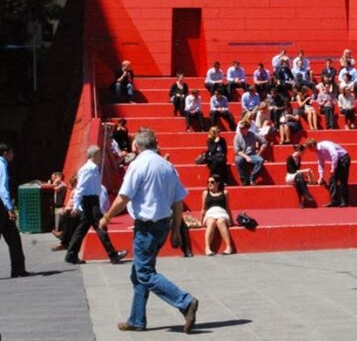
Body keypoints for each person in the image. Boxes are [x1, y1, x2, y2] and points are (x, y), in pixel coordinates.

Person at [99, 128, 199, 333]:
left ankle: (185, 301)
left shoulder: (138, 165)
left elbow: (124, 196)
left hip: (146, 227)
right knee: (138, 273)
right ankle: (136, 319)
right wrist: (176, 231)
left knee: (144, 273)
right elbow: (178, 202)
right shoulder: (168, 166)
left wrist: (107, 216)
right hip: (163, 225)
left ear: (137, 145)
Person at [65, 146, 127, 265]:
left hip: (92, 201)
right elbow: (80, 188)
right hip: (90, 201)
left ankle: (71, 254)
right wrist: (76, 206)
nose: (101, 158)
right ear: (94, 155)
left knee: (82, 229)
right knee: (101, 226)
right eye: (99, 155)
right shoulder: (88, 169)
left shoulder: (93, 169)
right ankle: (112, 254)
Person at [0, 143, 27, 278]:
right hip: (2, 207)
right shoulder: (2, 165)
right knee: (14, 239)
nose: (13, 155)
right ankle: (18, 269)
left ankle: (18, 269)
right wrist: (10, 208)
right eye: (11, 152)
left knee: (13, 238)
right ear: (5, 153)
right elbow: (3, 188)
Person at [306, 139, 350, 207]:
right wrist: (321, 176)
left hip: (343, 158)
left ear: (312, 145)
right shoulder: (318, 152)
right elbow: (320, 163)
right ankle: (334, 201)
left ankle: (344, 201)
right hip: (337, 161)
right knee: (332, 180)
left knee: (342, 179)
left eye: (309, 148)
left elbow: (334, 154)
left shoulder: (325, 144)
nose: (310, 150)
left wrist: (333, 168)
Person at [201, 174, 234, 256]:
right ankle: (207, 248)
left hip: (222, 213)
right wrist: (201, 221)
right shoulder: (205, 193)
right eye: (208, 182)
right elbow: (203, 208)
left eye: (212, 182)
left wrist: (231, 220)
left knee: (221, 221)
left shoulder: (224, 193)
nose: (209, 184)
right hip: (210, 213)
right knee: (211, 222)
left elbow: (227, 207)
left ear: (218, 183)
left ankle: (229, 247)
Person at [234, 121, 267, 185]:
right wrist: (246, 157)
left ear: (247, 128)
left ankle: (252, 177)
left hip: (252, 154)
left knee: (260, 160)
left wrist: (260, 152)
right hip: (242, 154)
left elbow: (264, 142)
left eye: (242, 128)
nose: (240, 129)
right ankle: (244, 180)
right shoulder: (237, 137)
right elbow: (237, 151)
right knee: (238, 160)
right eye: (240, 128)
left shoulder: (253, 134)